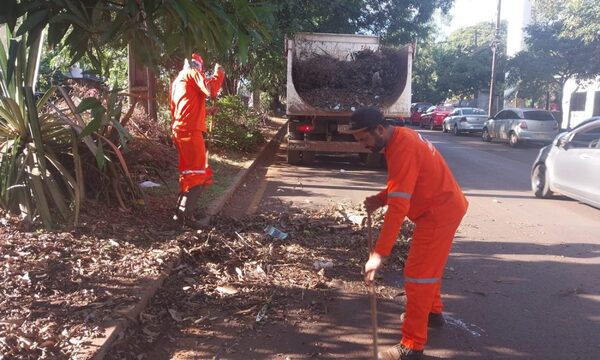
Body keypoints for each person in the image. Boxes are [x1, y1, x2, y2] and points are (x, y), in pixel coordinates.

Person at [348, 108, 468, 360]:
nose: (362, 145)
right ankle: (432, 313)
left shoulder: (402, 146)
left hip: (438, 212)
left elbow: (399, 206)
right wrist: (381, 199)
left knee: (417, 275)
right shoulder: (400, 138)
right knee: (428, 268)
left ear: (379, 130)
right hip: (443, 206)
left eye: (363, 139)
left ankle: (412, 345)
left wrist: (379, 254)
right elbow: (403, 183)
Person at [170, 53, 225, 227]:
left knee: (188, 173)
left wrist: (205, 112)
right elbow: (210, 89)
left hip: (180, 129)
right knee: (198, 173)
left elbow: (183, 106)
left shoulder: (178, 81)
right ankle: (186, 217)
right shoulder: (192, 73)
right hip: (190, 131)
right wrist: (219, 74)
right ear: (198, 66)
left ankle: (180, 214)